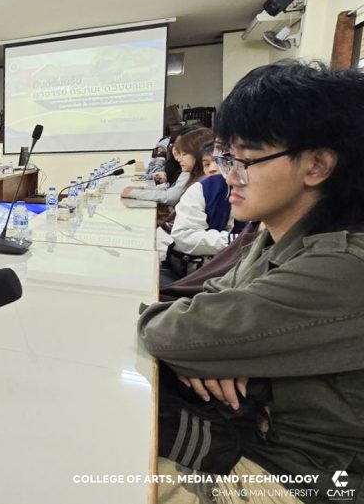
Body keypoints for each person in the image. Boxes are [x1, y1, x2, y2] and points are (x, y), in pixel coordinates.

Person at [138, 62, 364, 503]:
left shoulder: (343, 266)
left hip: (299, 475)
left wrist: (203, 349)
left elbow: (168, 330)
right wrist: (208, 351)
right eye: (225, 158)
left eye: (245, 160)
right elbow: (207, 305)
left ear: (318, 165)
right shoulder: (274, 234)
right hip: (246, 434)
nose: (227, 176)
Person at [168, 140, 237, 258]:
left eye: (184, 154)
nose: (212, 169)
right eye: (206, 164)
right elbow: (184, 236)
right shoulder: (202, 188)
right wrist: (235, 240)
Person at [121, 130, 196, 206]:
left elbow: (170, 197)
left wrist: (134, 193)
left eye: (184, 153)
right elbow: (169, 188)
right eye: (173, 145)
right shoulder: (180, 166)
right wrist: (142, 189)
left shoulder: (189, 171)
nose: (175, 149)